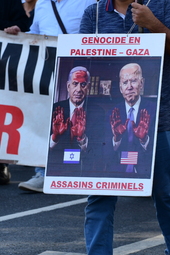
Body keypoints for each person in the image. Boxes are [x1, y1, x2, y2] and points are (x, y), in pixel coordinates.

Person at [79, 0, 170, 254]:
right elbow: (82, 62)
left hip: (158, 120)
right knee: (99, 195)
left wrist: (153, 24)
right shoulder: (93, 13)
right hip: (104, 126)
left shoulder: (161, 5)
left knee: (166, 194)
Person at [17, 0, 96, 193]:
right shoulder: (43, 3)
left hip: (76, 71)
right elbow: (35, 35)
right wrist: (18, 35)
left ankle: (84, 170)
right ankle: (42, 173)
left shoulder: (88, 2)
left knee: (80, 120)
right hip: (46, 73)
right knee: (44, 119)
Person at [45, 66, 105, 177]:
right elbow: (41, 147)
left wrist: (82, 138)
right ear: (68, 86)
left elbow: (98, 151)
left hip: (85, 171)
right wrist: (55, 137)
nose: (78, 89)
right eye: (75, 84)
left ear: (88, 87)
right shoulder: (54, 109)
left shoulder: (98, 112)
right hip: (56, 169)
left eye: (83, 85)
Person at [106, 63, 156, 179]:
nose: (129, 87)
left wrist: (144, 139)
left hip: (146, 172)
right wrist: (116, 139)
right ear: (120, 88)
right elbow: (104, 152)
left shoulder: (154, 110)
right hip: (118, 172)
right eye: (125, 83)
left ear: (141, 83)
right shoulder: (111, 114)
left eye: (133, 81)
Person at [0, 0, 30, 185]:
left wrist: (16, 29)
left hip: (4, 65)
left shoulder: (9, 1)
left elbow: (24, 25)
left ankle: (2, 163)